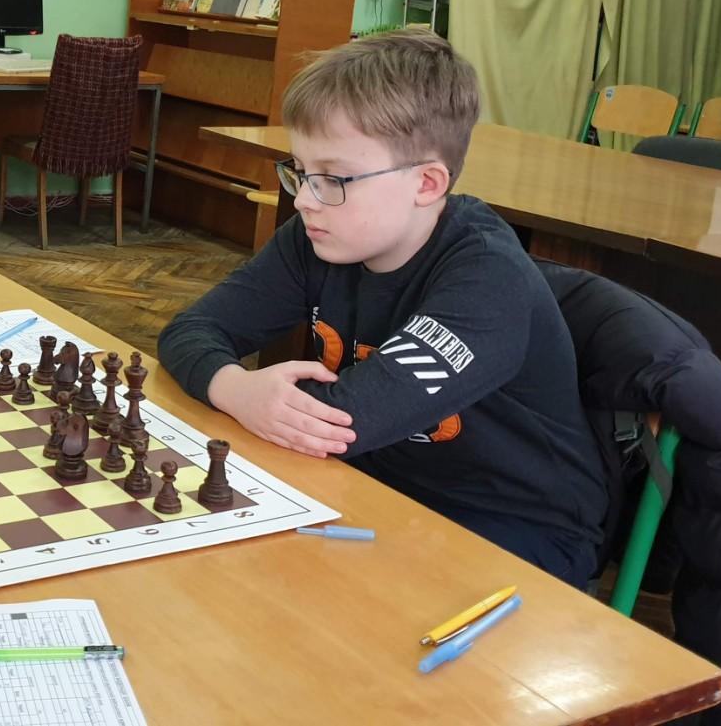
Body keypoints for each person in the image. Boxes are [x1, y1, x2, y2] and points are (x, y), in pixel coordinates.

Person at [157, 29, 607, 586]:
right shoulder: (318, 237)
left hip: (513, 531)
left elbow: (343, 421)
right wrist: (235, 387)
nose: (304, 199)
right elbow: (192, 329)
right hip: (375, 488)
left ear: (426, 183)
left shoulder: (488, 278)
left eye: (332, 178)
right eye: (300, 171)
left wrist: (249, 394)